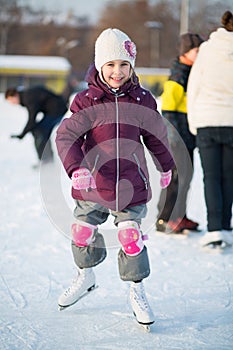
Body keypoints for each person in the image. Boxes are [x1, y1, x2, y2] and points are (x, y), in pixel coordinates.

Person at [55, 28, 174, 326]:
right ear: (99, 66)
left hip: (130, 184)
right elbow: (66, 136)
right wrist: (76, 168)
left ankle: (137, 290)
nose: (117, 72)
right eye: (110, 65)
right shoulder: (86, 101)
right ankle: (86, 275)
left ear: (132, 66)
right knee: (82, 233)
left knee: (130, 237)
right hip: (93, 183)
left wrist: (166, 165)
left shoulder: (143, 100)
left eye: (123, 64)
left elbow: (157, 137)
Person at [187, 11, 233, 247]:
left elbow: (193, 86)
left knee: (211, 178)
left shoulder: (207, 49)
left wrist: (194, 122)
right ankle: (226, 226)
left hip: (206, 119)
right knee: (229, 178)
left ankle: (214, 229)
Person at [155, 32, 204, 234]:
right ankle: (165, 218)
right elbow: (167, 109)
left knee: (187, 176)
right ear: (186, 52)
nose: (200, 54)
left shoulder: (191, 72)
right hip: (177, 137)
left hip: (187, 135)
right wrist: (173, 137)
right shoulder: (177, 75)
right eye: (196, 50)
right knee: (176, 178)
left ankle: (179, 215)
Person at [5, 85, 68, 165]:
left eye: (11, 100)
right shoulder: (26, 96)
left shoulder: (27, 98)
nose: (12, 103)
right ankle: (47, 160)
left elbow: (32, 119)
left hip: (58, 110)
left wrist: (22, 134)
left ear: (15, 95)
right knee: (41, 132)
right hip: (55, 110)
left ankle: (46, 161)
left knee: (39, 131)